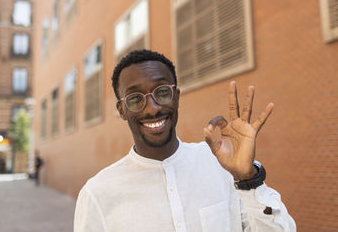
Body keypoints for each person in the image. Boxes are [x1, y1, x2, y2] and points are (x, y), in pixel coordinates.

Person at [74, 50, 296, 231]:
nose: (152, 108)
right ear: (121, 110)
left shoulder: (222, 167)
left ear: (177, 97)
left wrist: (248, 180)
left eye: (162, 92)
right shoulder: (98, 193)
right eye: (135, 99)